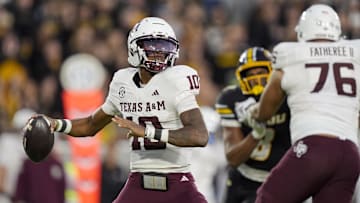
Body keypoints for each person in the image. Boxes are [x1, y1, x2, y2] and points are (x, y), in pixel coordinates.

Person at [32, 17, 209, 203]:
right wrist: (56, 124)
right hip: (138, 183)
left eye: (164, 47)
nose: (159, 53)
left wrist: (147, 131)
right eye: (152, 45)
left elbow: (199, 135)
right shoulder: (122, 83)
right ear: (134, 47)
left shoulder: (176, 80)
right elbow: (90, 125)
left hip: (177, 183)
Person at [246, 4, 360, 203]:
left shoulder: (290, 55)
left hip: (315, 146)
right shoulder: (355, 53)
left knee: (268, 197)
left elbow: (265, 110)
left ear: (302, 31)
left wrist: (253, 112)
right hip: (350, 153)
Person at [215, 47, 291, 203]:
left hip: (281, 179)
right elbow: (233, 159)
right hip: (245, 177)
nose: (256, 79)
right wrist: (256, 133)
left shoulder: (288, 95)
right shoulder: (231, 98)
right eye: (250, 75)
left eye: (261, 73)